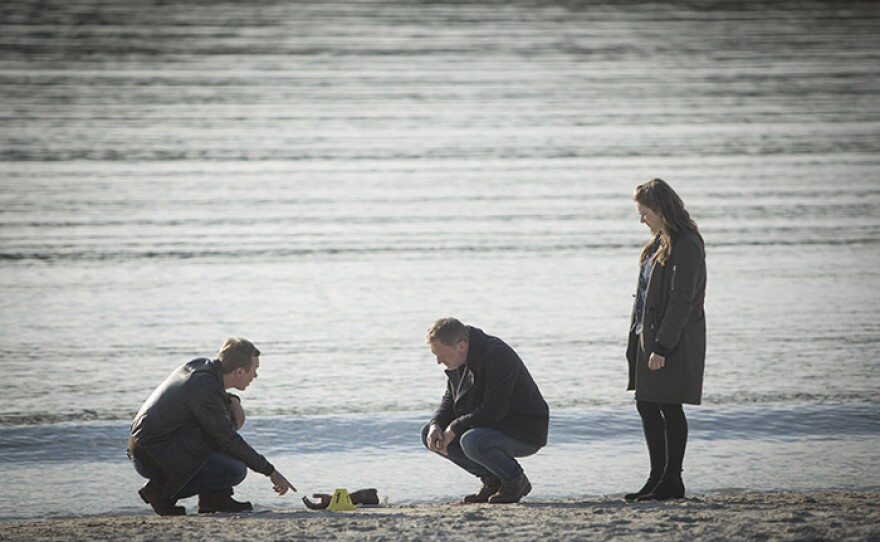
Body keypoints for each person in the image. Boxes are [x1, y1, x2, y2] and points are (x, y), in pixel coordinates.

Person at [128, 337, 295, 515]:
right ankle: (160, 491)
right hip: (152, 457)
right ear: (239, 371)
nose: (255, 376)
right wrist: (271, 472)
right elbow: (229, 439)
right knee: (235, 470)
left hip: (150, 446)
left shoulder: (201, 367)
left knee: (223, 428)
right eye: (254, 370)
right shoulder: (206, 390)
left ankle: (215, 499)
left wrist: (232, 399)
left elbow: (206, 395)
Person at [625, 178, 706, 501]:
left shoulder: (686, 243)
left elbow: (681, 301)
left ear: (660, 209)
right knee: (646, 404)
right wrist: (640, 340)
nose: (641, 219)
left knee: (669, 406)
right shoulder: (659, 241)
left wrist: (662, 346)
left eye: (644, 213)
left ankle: (672, 479)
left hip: (672, 340)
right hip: (648, 337)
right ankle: (657, 477)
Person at [421, 317, 549, 504]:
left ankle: (515, 481)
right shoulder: (459, 360)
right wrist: (436, 425)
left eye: (441, 355)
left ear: (461, 346)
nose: (439, 361)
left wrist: (454, 428)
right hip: (492, 427)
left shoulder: (497, 355)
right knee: (429, 434)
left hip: (524, 429)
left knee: (471, 440)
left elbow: (494, 410)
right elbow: (450, 400)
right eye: (435, 355)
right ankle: (494, 482)